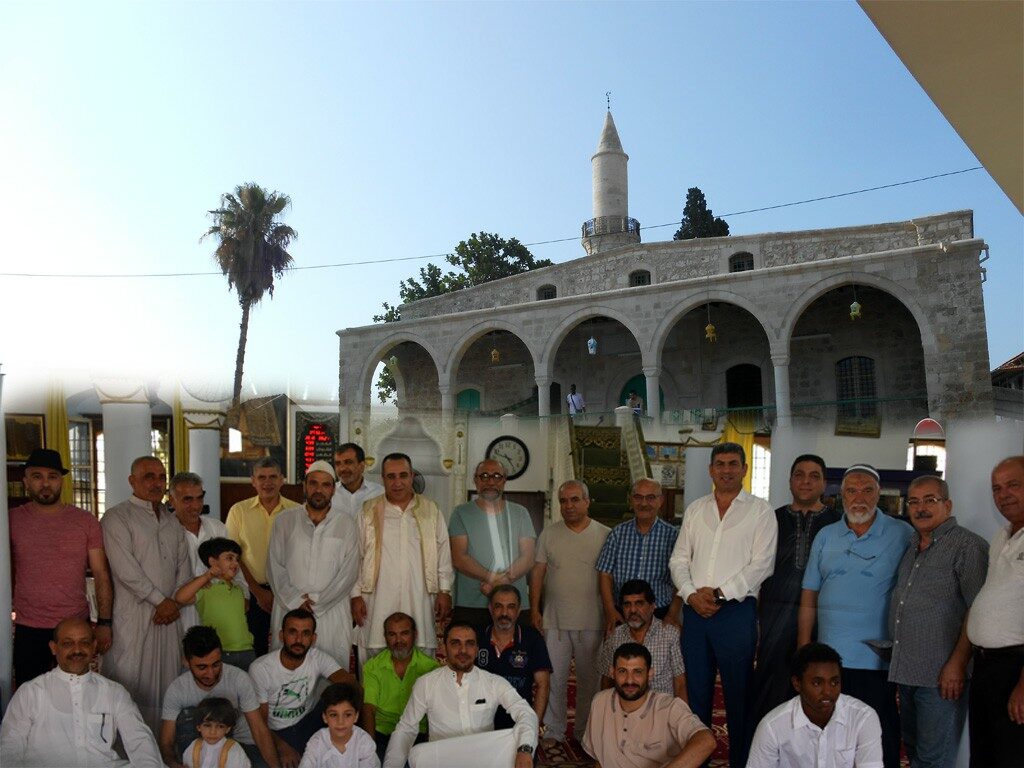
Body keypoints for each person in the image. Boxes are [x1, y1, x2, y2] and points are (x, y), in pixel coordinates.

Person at [669, 442, 777, 767]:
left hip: (736, 614)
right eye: (720, 464)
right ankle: (697, 761)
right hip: (695, 613)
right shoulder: (695, 510)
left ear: (744, 469)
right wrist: (691, 594)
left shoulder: (760, 511)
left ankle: (741, 762)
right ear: (711, 470)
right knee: (696, 694)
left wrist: (719, 594)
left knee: (738, 696)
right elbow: (679, 559)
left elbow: (762, 565)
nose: (726, 470)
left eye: (733, 464)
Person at [798, 463, 912, 768]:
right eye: (851, 490)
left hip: (877, 657)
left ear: (879, 494)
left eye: (867, 490)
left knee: (878, 730)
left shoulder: (902, 533)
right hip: (830, 657)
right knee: (831, 730)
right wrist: (804, 645)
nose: (859, 497)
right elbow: (809, 593)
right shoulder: (826, 536)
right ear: (841, 495)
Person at [888, 475, 987, 768]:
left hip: (942, 677)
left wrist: (957, 664)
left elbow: (977, 609)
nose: (921, 508)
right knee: (914, 754)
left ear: (948, 505)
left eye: (930, 500)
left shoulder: (967, 546)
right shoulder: (912, 544)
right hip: (907, 671)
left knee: (934, 760)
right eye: (914, 502)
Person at [101, 454, 191, 732]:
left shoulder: (172, 522)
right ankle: (125, 748)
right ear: (132, 481)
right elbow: (125, 570)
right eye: (148, 477)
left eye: (161, 477)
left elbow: (184, 569)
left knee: (167, 683)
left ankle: (163, 745)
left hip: (169, 618)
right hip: (136, 616)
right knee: (130, 680)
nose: (156, 483)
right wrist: (160, 601)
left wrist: (174, 603)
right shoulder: (117, 517)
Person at [9, 447, 113, 685]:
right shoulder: (11, 520)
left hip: (74, 625)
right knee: (30, 693)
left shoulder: (85, 521)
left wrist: (105, 622)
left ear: (62, 481)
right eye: (37, 476)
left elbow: (101, 573)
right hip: (28, 625)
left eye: (52, 476)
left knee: (77, 691)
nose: (46, 483)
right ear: (26, 481)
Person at [750, 454, 841, 725]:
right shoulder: (771, 519)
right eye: (799, 475)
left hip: (823, 617)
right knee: (771, 683)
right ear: (790, 481)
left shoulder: (838, 524)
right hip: (775, 614)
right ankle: (767, 742)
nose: (806, 481)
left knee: (818, 681)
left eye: (814, 476)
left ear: (824, 483)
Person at [0, 617, 162, 767]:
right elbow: (10, 747)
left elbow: (140, 741)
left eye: (84, 642)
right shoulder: (31, 692)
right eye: (68, 643)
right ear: (54, 648)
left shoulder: (114, 692)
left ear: (94, 646)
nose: (77, 650)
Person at [382, 622, 538, 768]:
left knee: (517, 736)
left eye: (469, 644)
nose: (463, 650)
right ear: (444, 648)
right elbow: (406, 729)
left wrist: (524, 749)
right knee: (418, 754)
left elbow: (526, 713)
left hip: (484, 760)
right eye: (455, 643)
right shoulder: (426, 683)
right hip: (443, 761)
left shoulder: (493, 682)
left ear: (477, 649)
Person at [528, 479, 610, 744]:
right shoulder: (549, 534)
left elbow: (611, 577)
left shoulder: (605, 534)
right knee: (554, 678)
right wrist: (535, 609)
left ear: (587, 502)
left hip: (593, 620)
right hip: (555, 619)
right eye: (563, 501)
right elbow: (537, 573)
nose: (569, 505)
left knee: (590, 681)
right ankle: (554, 729)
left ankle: (584, 730)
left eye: (575, 500)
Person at [351, 452, 452, 660]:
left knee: (421, 655)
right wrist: (355, 595)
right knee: (374, 653)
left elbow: (443, 552)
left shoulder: (431, 510)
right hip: (376, 599)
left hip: (419, 597)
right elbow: (355, 556)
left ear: (412, 476)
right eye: (391, 476)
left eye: (403, 475)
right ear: (383, 479)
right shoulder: (368, 511)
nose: (397, 483)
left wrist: (444, 590)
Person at [268, 460, 358, 663]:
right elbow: (274, 566)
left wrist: (318, 600)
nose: (319, 490)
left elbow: (349, 572)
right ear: (305, 486)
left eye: (326, 485)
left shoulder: (346, 524)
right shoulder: (284, 520)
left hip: (331, 611)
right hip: (289, 606)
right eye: (313, 483)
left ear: (333, 489)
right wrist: (296, 601)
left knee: (331, 670)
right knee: (288, 669)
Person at [966, 455, 1024, 767]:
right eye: (997, 488)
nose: (1004, 495)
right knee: (985, 756)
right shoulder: (1002, 536)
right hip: (987, 667)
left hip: (1016, 668)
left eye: (1013, 485)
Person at [747, 642, 883, 768]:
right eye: (817, 683)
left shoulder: (863, 718)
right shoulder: (772, 727)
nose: (828, 691)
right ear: (797, 683)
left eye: (834, 682)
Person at [160, 626, 279, 768]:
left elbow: (259, 729)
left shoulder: (239, 678)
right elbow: (166, 741)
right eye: (202, 667)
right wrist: (173, 764)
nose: (210, 674)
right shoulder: (177, 689)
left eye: (216, 665)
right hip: (200, 745)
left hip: (241, 744)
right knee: (189, 714)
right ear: (186, 661)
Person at [583, 642, 716, 768]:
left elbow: (706, 741)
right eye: (623, 671)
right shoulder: (600, 701)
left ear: (650, 674)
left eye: (638, 672)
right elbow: (599, 759)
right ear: (612, 672)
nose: (630, 680)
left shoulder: (669, 707)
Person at [249, 609, 355, 764]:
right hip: (277, 732)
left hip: (309, 722)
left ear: (313, 638)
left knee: (341, 693)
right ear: (281, 635)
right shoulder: (261, 668)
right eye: (293, 632)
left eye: (305, 633)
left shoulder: (317, 657)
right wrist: (281, 747)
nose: (299, 640)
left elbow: (351, 684)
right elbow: (260, 724)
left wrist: (351, 725)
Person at [225, 457, 300, 656]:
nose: (268, 483)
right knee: (254, 649)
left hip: (288, 593)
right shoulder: (238, 511)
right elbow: (232, 556)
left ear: (282, 479)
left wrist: (281, 592)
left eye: (273, 477)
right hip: (251, 594)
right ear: (253, 481)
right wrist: (258, 592)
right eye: (262, 477)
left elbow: (301, 556)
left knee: (289, 648)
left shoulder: (297, 511)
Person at [449, 458, 536, 628]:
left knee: (516, 646)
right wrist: (492, 578)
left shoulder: (520, 513)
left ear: (504, 480)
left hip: (512, 604)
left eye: (496, 476)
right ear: (475, 480)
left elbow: (528, 557)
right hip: (471, 604)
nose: (490, 482)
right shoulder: (461, 513)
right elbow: (459, 558)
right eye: (484, 476)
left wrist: (498, 582)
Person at [597, 478, 681, 630]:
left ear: (660, 501)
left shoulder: (672, 536)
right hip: (622, 614)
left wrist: (673, 614)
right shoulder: (618, 533)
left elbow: (680, 579)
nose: (643, 503)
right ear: (631, 500)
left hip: (660, 614)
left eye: (650, 497)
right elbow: (605, 574)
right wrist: (610, 610)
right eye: (638, 497)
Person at [170, 471, 248, 630]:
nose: (195, 506)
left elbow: (234, 566)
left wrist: (244, 596)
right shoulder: (164, 531)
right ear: (172, 500)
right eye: (188, 499)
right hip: (179, 614)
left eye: (199, 498)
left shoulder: (216, 527)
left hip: (219, 613)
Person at [361, 612, 440, 762]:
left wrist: (430, 749)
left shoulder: (430, 668)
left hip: (418, 734)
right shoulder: (372, 666)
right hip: (383, 732)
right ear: (385, 637)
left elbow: (434, 713)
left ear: (415, 635)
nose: (398, 640)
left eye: (404, 633)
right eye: (392, 634)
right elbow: (369, 709)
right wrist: (370, 751)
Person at [477, 585, 552, 731]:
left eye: (511, 607)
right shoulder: (477, 637)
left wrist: (532, 728)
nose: (504, 613)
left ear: (518, 611)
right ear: (490, 609)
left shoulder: (532, 639)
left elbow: (543, 685)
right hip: (480, 722)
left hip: (518, 723)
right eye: (498, 606)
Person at [175, 538, 256, 670]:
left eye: (237, 559)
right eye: (229, 558)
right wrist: (206, 577)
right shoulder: (206, 588)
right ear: (213, 562)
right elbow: (180, 598)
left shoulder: (239, 588)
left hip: (247, 651)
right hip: (219, 652)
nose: (235, 563)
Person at [597, 579, 686, 698]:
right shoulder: (614, 637)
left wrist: (681, 710)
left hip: (661, 707)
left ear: (652, 606)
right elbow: (607, 682)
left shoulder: (670, 635)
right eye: (627, 604)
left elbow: (680, 684)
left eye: (639, 604)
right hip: (625, 707)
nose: (633, 610)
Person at [300, 683, 380, 768]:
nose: (340, 722)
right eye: (333, 715)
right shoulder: (316, 742)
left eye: (347, 715)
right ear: (325, 717)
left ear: (356, 716)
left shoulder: (364, 743)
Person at [181, 697, 252, 768]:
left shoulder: (234, 750)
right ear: (199, 727)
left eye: (220, 726)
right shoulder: (194, 746)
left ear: (227, 729)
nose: (213, 732)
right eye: (207, 725)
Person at [331, 442, 384, 521]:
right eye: (338, 464)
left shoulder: (379, 493)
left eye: (348, 462)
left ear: (361, 466)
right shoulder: (329, 494)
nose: (342, 468)